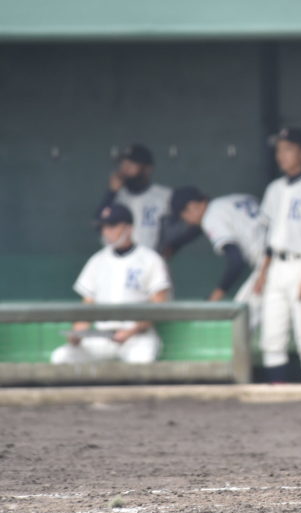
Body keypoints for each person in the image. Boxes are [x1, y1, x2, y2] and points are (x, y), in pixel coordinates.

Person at [253, 127, 301, 383]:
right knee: (272, 336)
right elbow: (269, 237)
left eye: (288, 150)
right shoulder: (274, 189)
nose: (282, 155)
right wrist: (263, 272)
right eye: (279, 150)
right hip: (276, 264)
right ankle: (277, 396)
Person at [51, 203, 171, 364]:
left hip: (137, 337)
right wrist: (77, 333)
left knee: (141, 362)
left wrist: (130, 331)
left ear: (129, 228)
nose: (107, 232)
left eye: (112, 226)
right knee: (62, 357)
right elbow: (88, 306)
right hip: (102, 336)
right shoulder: (97, 261)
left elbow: (158, 304)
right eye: (103, 227)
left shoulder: (150, 259)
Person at [170, 186, 267, 327]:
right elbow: (196, 230)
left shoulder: (211, 217)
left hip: (269, 265)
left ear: (192, 206)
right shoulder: (232, 199)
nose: (186, 221)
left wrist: (216, 296)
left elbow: (236, 261)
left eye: (183, 216)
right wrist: (174, 245)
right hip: (292, 254)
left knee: (239, 320)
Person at [96, 144, 173, 252]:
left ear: (147, 169)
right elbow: (98, 224)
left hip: (149, 261)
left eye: (131, 164)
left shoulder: (164, 196)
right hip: (118, 262)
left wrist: (170, 248)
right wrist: (111, 193)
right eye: (123, 164)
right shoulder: (116, 197)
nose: (125, 169)